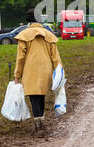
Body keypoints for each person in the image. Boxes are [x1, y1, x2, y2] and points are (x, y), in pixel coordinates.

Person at [14, 9, 62, 137]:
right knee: (41, 95)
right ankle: (41, 123)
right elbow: (56, 57)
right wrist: (59, 73)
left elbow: (20, 58)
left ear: (28, 20)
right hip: (46, 69)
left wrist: (17, 75)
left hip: (30, 69)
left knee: (34, 97)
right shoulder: (49, 34)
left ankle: (38, 127)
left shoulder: (24, 35)